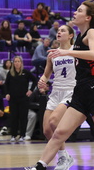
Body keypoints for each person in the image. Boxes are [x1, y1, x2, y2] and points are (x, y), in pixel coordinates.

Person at [25, 0, 94, 170]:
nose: (75, 12)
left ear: (88, 17)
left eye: (80, 10)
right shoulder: (80, 37)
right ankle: (39, 167)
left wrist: (67, 51)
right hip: (80, 91)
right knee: (58, 132)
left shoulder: (92, 32)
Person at [36, 25, 76, 169]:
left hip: (70, 90)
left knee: (54, 122)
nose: (59, 32)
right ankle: (64, 156)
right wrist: (42, 81)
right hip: (55, 92)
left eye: (63, 30)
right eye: (58, 30)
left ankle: (63, 158)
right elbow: (46, 74)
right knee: (47, 130)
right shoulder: (52, 54)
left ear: (71, 35)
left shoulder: (76, 51)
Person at [5, 55, 37, 142]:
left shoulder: (25, 72)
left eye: (18, 61)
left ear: (21, 63)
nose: (17, 63)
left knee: (23, 117)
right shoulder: (10, 73)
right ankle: (13, 135)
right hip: (13, 99)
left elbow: (35, 80)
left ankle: (22, 135)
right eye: (15, 61)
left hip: (23, 98)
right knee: (14, 117)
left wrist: (31, 90)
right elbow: (6, 84)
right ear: (13, 63)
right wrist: (7, 93)